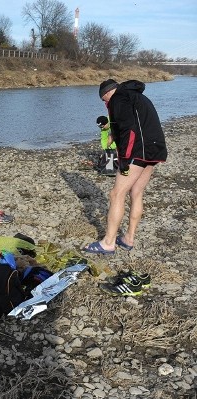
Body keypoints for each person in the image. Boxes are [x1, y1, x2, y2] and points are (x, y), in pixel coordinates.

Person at [83, 79, 167, 262]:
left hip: (137, 151)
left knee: (116, 194)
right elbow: (135, 123)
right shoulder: (137, 96)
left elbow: (130, 130)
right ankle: (128, 238)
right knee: (136, 193)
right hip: (154, 149)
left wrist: (125, 160)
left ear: (107, 94)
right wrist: (113, 133)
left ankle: (108, 242)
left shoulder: (118, 98)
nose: (106, 104)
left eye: (104, 101)